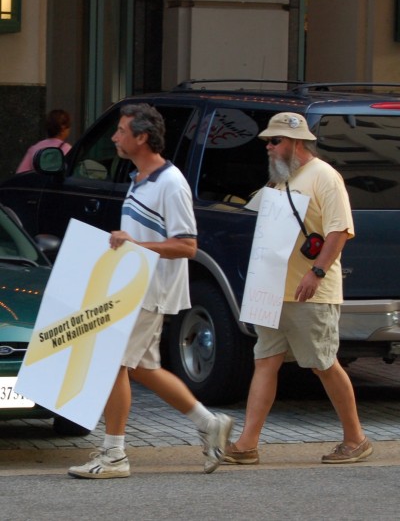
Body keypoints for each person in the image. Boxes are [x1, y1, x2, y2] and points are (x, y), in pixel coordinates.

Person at [68, 103, 233, 479]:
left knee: (112, 364)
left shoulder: (170, 183)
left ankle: (114, 456)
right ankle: (209, 423)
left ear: (141, 137)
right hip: (134, 287)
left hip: (149, 288)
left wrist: (135, 247)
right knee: (143, 368)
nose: (114, 137)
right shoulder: (139, 178)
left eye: (121, 131)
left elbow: (188, 245)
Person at [224, 112, 373, 466]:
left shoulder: (323, 176)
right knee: (265, 361)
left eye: (275, 141)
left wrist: (317, 272)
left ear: (296, 142)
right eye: (268, 142)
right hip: (274, 291)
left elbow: (339, 231)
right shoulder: (281, 182)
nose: (269, 148)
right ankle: (247, 444)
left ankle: (356, 439)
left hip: (310, 292)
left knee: (323, 363)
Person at [16, 109, 72, 173]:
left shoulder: (34, 148)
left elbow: (21, 173)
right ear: (63, 128)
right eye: (69, 127)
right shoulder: (67, 149)